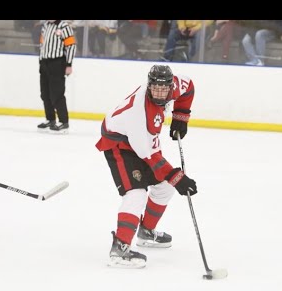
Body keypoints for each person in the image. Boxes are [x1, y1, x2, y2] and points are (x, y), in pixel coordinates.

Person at [95, 65, 198, 268]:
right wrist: (178, 178)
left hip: (141, 142)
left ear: (170, 86)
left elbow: (189, 87)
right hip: (120, 145)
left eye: (164, 89)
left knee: (164, 187)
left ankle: (146, 231)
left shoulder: (175, 86)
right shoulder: (139, 115)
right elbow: (150, 156)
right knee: (136, 194)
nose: (160, 93)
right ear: (149, 85)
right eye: (155, 88)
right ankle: (120, 248)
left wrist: (181, 116)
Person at [37, 20, 77, 134]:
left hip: (57, 63)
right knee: (45, 93)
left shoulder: (64, 26)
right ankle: (50, 119)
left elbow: (71, 46)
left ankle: (64, 122)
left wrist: (69, 64)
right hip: (44, 63)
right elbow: (42, 43)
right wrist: (41, 60)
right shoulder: (46, 25)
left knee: (57, 93)